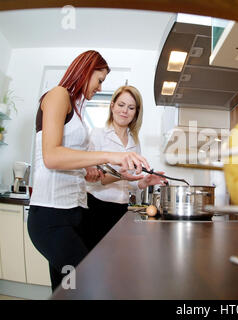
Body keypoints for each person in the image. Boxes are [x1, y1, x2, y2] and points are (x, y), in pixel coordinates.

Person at [28, 50, 150, 292]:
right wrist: (110, 156)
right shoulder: (58, 95)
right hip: (51, 216)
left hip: (73, 214)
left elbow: (70, 163)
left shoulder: (75, 110)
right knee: (89, 282)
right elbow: (52, 156)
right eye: (100, 79)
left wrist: (89, 170)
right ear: (86, 69)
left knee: (64, 289)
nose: (100, 86)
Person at [84, 85, 167, 249]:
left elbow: (132, 183)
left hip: (120, 209)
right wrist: (120, 175)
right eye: (121, 105)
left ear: (136, 112)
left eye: (131, 108)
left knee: (116, 262)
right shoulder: (97, 135)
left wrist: (145, 181)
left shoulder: (134, 142)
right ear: (112, 105)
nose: (125, 111)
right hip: (95, 207)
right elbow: (91, 180)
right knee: (94, 262)